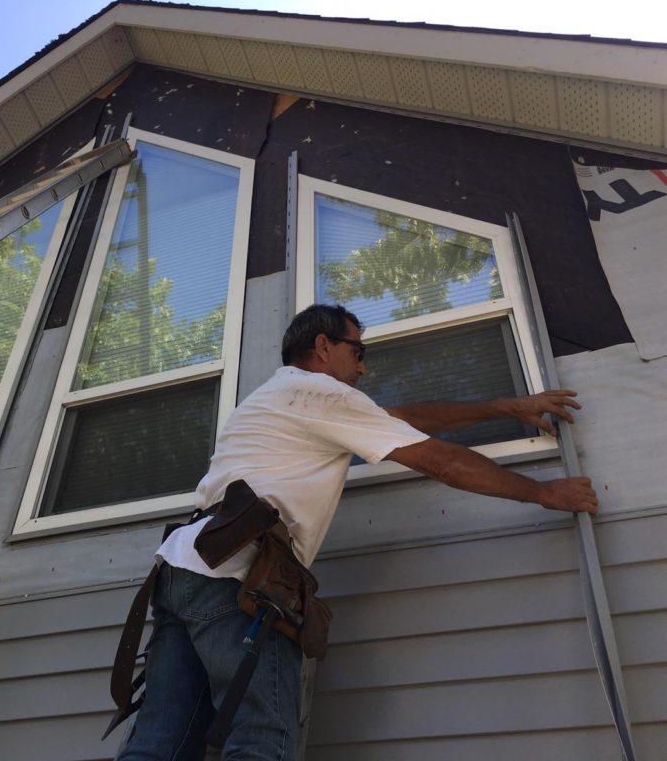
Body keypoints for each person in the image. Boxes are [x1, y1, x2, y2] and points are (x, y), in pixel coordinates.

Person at [115, 304, 598, 761]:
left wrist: (507, 407)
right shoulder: (320, 395)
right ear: (323, 346)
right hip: (237, 577)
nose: (363, 368)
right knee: (262, 737)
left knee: (160, 745)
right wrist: (545, 494)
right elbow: (441, 460)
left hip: (181, 572)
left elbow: (403, 419)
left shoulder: (280, 397)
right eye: (358, 352)